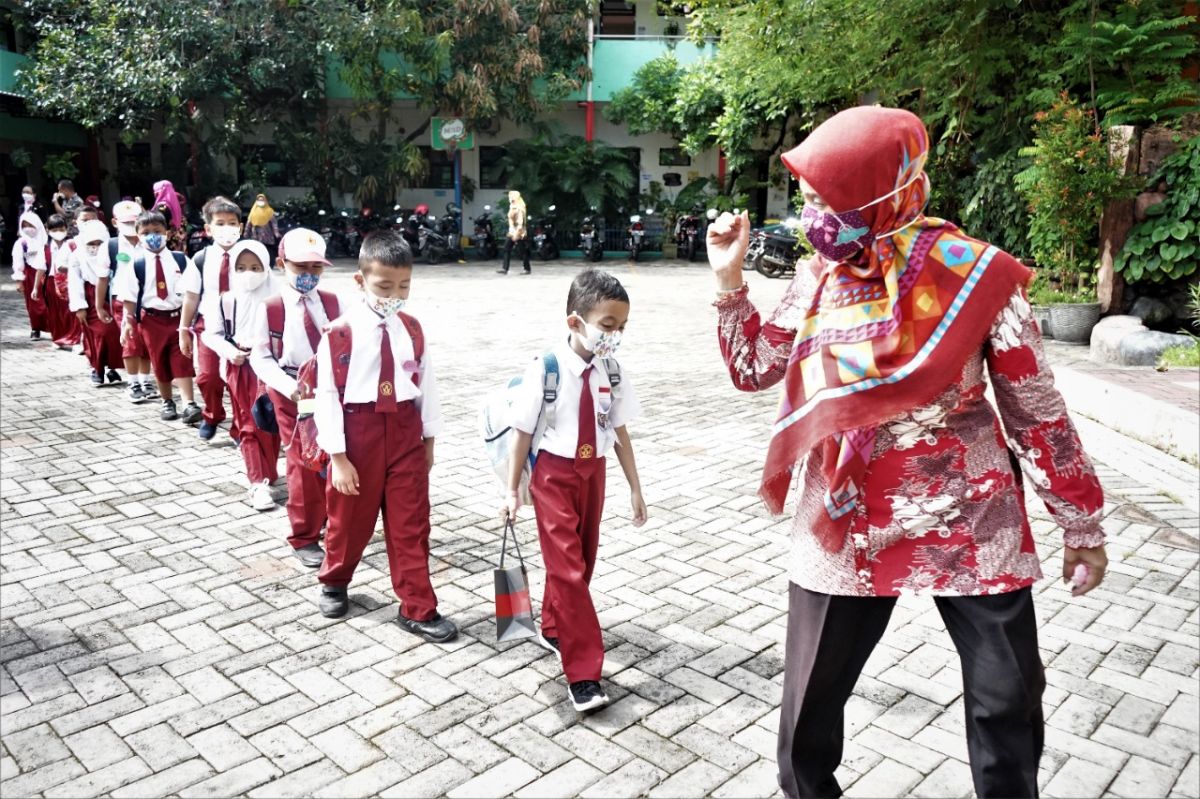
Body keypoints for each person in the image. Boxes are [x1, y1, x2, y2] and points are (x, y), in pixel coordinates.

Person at [705, 106, 1109, 799]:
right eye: (805, 200)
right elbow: (753, 367)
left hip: (972, 515)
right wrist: (728, 280)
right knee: (805, 723)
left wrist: (1082, 526)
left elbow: (1037, 413)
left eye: (822, 199)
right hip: (846, 517)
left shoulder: (978, 279)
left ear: (880, 195)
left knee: (1006, 701)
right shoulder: (817, 279)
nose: (810, 217)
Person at [501, 268, 647, 712]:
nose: (614, 336)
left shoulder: (612, 371)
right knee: (566, 569)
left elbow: (619, 430)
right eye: (606, 326)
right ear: (575, 322)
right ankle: (584, 673)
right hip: (553, 476)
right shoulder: (545, 370)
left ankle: (552, 623)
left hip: (593, 472)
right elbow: (521, 434)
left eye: (620, 328)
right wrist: (512, 491)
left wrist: (635, 488)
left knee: (581, 563)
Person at [314, 230, 457, 644]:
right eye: (384, 286)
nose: (395, 294)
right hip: (356, 433)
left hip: (404, 430)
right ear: (360, 282)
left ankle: (418, 608)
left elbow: (426, 383)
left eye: (404, 286)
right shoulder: (339, 332)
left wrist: (429, 438)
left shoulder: (411, 328)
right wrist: (338, 456)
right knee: (349, 520)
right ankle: (335, 580)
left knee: (411, 524)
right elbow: (326, 394)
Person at [248, 227, 341, 568]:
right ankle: (304, 535)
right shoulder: (271, 307)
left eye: (316, 268)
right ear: (281, 263)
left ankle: (334, 521)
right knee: (302, 462)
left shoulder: (332, 302)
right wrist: (287, 387)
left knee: (335, 455)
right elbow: (261, 356)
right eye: (301, 267)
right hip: (292, 391)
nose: (309, 275)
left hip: (331, 390)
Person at [200, 240, 282, 511]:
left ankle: (267, 470)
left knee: (270, 424)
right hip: (242, 366)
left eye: (256, 267)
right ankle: (257, 482)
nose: (249, 273)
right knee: (248, 424)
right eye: (242, 267)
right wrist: (228, 350)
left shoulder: (279, 298)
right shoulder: (226, 300)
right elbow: (210, 334)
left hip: (275, 368)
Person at [114, 210, 203, 424]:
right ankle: (167, 401)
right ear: (138, 234)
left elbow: (192, 290)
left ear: (167, 232)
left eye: (157, 231)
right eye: (146, 232)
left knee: (182, 358)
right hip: (151, 321)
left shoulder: (180, 260)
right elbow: (129, 296)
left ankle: (189, 404)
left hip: (177, 318)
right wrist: (128, 321)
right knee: (159, 360)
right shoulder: (135, 263)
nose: (152, 236)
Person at [179, 196, 244, 441]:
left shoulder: (251, 256)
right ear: (208, 228)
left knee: (239, 380)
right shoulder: (201, 259)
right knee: (208, 376)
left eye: (231, 223)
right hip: (209, 325)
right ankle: (213, 414)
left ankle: (241, 425)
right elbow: (191, 297)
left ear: (241, 226)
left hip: (241, 325)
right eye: (220, 223)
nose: (226, 228)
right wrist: (183, 329)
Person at [102, 200, 156, 403]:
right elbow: (102, 277)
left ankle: (145, 380)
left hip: (147, 299)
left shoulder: (151, 242)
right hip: (122, 299)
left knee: (145, 342)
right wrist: (100, 305)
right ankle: (133, 382)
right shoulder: (112, 246)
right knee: (131, 341)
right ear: (115, 222)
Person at [68, 219, 125, 387]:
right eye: (90, 243)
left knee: (113, 334)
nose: (95, 247)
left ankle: (111, 367)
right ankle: (97, 369)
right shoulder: (77, 255)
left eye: (99, 243)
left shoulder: (115, 251)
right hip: (90, 297)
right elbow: (74, 281)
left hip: (111, 294)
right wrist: (79, 306)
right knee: (97, 335)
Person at [39, 214, 86, 355]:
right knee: (55, 313)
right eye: (54, 229)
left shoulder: (72, 244)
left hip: (71, 281)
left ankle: (76, 339)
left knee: (72, 311)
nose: (58, 232)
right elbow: (41, 267)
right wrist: (36, 287)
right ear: (47, 230)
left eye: (61, 228)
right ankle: (59, 338)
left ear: (66, 228)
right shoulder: (46, 248)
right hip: (52, 282)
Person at [11, 211, 50, 340]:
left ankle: (53, 326)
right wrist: (19, 280)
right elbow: (18, 261)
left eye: (30, 224)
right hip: (30, 274)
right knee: (33, 304)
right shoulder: (21, 243)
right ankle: (36, 328)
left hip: (47, 273)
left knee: (50, 302)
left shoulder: (46, 240)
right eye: (24, 225)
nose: (28, 228)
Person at [497, 190, 531, 275]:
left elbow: (520, 222)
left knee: (522, 250)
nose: (510, 197)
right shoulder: (512, 206)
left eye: (512, 196)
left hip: (519, 231)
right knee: (506, 248)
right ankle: (505, 268)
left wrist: (517, 234)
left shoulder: (519, 208)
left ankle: (527, 269)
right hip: (512, 231)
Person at [151, 179, 187, 252]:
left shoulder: (161, 208)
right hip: (178, 245)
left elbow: (153, 226)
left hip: (166, 246)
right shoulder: (176, 206)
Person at [244, 193, 281, 263]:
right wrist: (246, 232)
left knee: (267, 251)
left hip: (267, 236)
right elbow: (249, 223)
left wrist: (276, 233)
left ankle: (269, 264)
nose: (260, 202)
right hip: (255, 236)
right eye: (259, 200)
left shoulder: (269, 211)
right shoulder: (253, 212)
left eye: (262, 200)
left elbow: (274, 223)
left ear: (265, 201)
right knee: (257, 250)